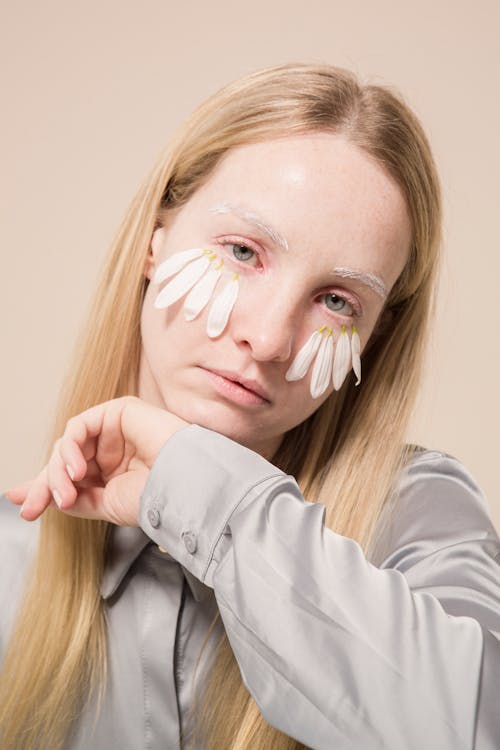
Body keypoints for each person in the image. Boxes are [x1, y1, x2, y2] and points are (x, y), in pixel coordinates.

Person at [0, 61, 499, 750]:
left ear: (373, 337)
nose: (266, 340)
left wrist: (198, 488)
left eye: (336, 302)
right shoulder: (10, 558)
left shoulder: (414, 516)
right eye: (241, 251)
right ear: (157, 235)